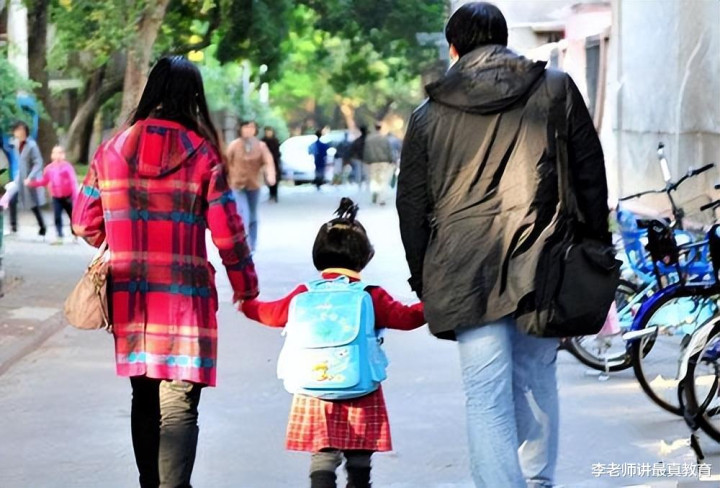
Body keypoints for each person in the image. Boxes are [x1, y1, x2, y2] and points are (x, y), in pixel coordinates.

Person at [396, 3, 610, 488]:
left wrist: (422, 275)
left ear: (453, 50)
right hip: (544, 259)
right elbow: (589, 173)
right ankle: (537, 481)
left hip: (463, 269)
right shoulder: (555, 89)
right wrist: (596, 245)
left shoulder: (428, 115)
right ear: (504, 39)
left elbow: (411, 204)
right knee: (537, 376)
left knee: (485, 394)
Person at [72, 56, 259, 488]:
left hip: (131, 296)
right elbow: (229, 233)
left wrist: (119, 236)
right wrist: (246, 286)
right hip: (185, 299)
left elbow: (83, 222)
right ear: (193, 98)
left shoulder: (111, 151)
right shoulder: (202, 154)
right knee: (179, 402)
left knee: (143, 394)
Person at [241, 198, 425, 488]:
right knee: (360, 454)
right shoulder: (371, 295)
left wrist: (246, 304)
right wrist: (434, 304)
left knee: (322, 454)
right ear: (365, 257)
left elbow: (271, 313)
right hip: (360, 386)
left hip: (314, 388)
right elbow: (407, 318)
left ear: (319, 255)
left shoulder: (304, 293)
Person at [226, 120, 277, 251]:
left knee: (253, 215)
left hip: (254, 185)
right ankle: (245, 243)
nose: (248, 130)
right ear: (240, 129)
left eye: (251, 127)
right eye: (246, 127)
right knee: (243, 213)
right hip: (237, 185)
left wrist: (270, 175)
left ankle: (252, 244)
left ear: (255, 130)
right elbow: (225, 162)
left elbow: (268, 162)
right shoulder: (234, 145)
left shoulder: (261, 146)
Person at [26, 145, 78, 244]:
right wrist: (32, 183)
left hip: (68, 196)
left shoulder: (67, 167)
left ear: (63, 155)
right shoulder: (49, 168)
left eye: (59, 153)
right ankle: (59, 235)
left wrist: (75, 197)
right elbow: (44, 181)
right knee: (57, 216)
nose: (57, 155)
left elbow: (73, 182)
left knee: (72, 217)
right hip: (56, 197)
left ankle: (75, 233)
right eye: (54, 153)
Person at [8, 121, 47, 236]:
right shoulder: (16, 143)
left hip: (30, 178)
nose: (18, 133)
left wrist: (31, 177)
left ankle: (42, 226)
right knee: (12, 199)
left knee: (33, 203)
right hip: (20, 178)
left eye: (21, 130)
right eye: (17, 130)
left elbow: (38, 162)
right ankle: (13, 226)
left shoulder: (32, 145)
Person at [362, 122, 395, 206]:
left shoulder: (369, 139)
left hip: (373, 162)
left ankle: (374, 193)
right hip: (384, 161)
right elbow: (388, 150)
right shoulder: (384, 138)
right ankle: (382, 198)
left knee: (373, 178)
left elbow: (366, 150)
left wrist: (366, 160)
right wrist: (391, 160)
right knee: (383, 179)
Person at [262, 126, 282, 203]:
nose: (268, 133)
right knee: (268, 179)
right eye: (267, 132)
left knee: (275, 179)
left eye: (270, 131)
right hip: (266, 163)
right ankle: (271, 194)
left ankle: (274, 195)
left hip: (275, 163)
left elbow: (278, 152)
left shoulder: (275, 141)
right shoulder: (263, 141)